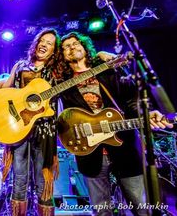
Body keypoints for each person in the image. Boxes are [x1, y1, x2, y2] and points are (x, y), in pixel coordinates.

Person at [57, 31, 173, 216]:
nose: (72, 48)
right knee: (101, 210)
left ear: (85, 47)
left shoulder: (109, 69)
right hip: (91, 153)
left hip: (125, 148)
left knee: (141, 207)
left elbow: (131, 100)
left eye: (75, 43)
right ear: (62, 55)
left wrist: (146, 114)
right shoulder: (62, 83)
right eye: (66, 47)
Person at [1, 28, 62, 215]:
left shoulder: (57, 72)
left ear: (54, 51)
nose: (44, 44)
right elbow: (3, 92)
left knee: (43, 181)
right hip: (20, 128)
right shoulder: (21, 66)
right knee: (19, 179)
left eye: (49, 43)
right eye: (42, 40)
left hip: (45, 132)